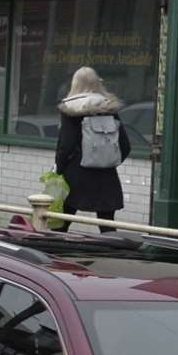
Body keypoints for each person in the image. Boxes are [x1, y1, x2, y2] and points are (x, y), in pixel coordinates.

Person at [52, 67, 132, 233]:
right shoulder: (108, 107)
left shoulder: (70, 108)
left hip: (76, 173)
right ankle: (111, 256)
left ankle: (56, 255)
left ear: (75, 84)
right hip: (106, 175)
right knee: (107, 225)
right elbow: (125, 145)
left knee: (63, 221)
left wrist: (58, 169)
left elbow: (66, 145)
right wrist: (108, 160)